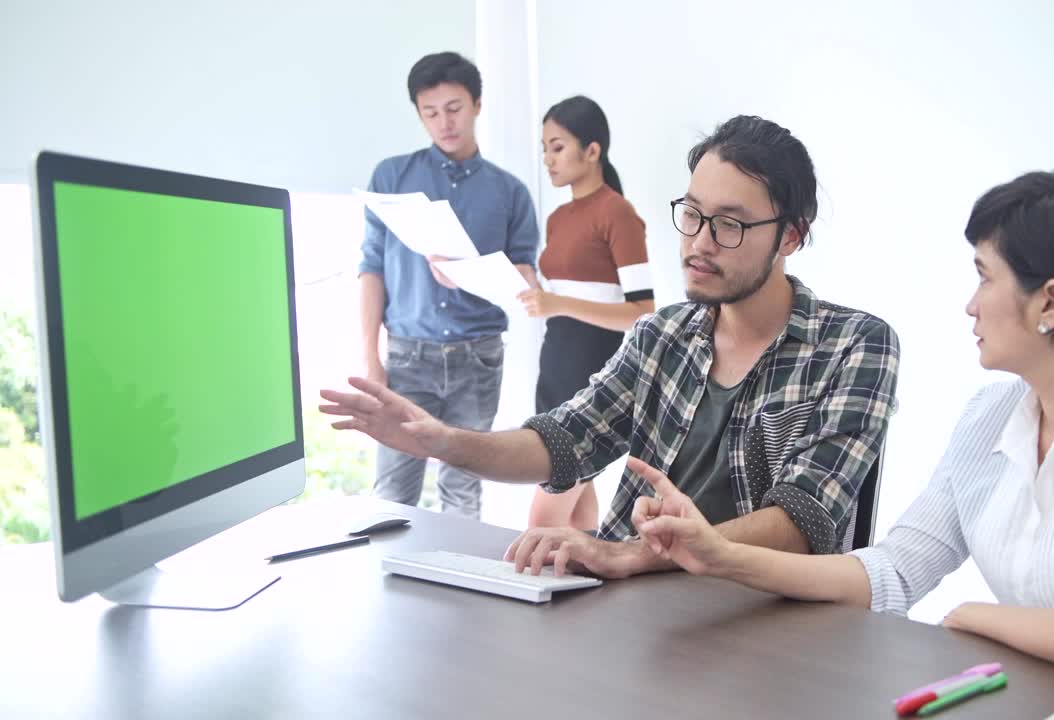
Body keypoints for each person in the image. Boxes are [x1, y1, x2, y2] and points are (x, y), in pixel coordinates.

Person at [628, 166, 1054, 694]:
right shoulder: (991, 416)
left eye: (985, 276)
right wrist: (719, 555)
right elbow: (890, 573)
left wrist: (977, 616)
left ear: (1052, 304)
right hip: (1047, 699)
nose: (970, 303)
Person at [323, 114, 900, 579]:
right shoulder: (661, 337)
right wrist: (442, 440)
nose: (699, 243)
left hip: (766, 624)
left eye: (730, 225)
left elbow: (805, 517)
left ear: (790, 235)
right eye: (693, 215)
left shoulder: (855, 346)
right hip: (633, 611)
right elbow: (563, 441)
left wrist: (636, 554)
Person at [358, 51, 539, 518]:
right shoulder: (391, 177)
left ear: (477, 104)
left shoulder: (510, 192)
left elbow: (525, 282)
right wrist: (369, 357)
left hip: (476, 360)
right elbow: (371, 269)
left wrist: (470, 273)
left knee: (463, 493)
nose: (444, 123)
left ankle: (461, 589)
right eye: (430, 113)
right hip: (406, 356)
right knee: (393, 492)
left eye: (454, 108)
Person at [519, 96, 655, 531]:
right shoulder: (558, 218)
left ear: (592, 151)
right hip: (555, 365)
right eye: (544, 148)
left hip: (592, 374)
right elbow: (567, 294)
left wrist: (556, 304)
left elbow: (642, 312)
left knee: (543, 522)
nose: (547, 159)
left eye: (557, 147)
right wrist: (533, 287)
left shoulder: (618, 213)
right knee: (575, 510)